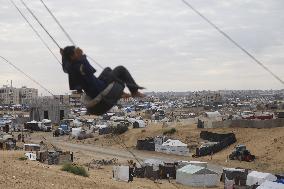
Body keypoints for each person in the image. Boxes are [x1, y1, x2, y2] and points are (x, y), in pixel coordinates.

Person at [60, 46, 145, 99]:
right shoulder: (78, 65)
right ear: (72, 56)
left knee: (107, 70)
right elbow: (89, 71)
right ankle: (134, 91)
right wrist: (82, 57)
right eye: (75, 52)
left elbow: (65, 67)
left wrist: (63, 56)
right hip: (99, 87)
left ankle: (121, 92)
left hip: (93, 87)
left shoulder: (69, 67)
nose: (77, 52)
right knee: (121, 69)